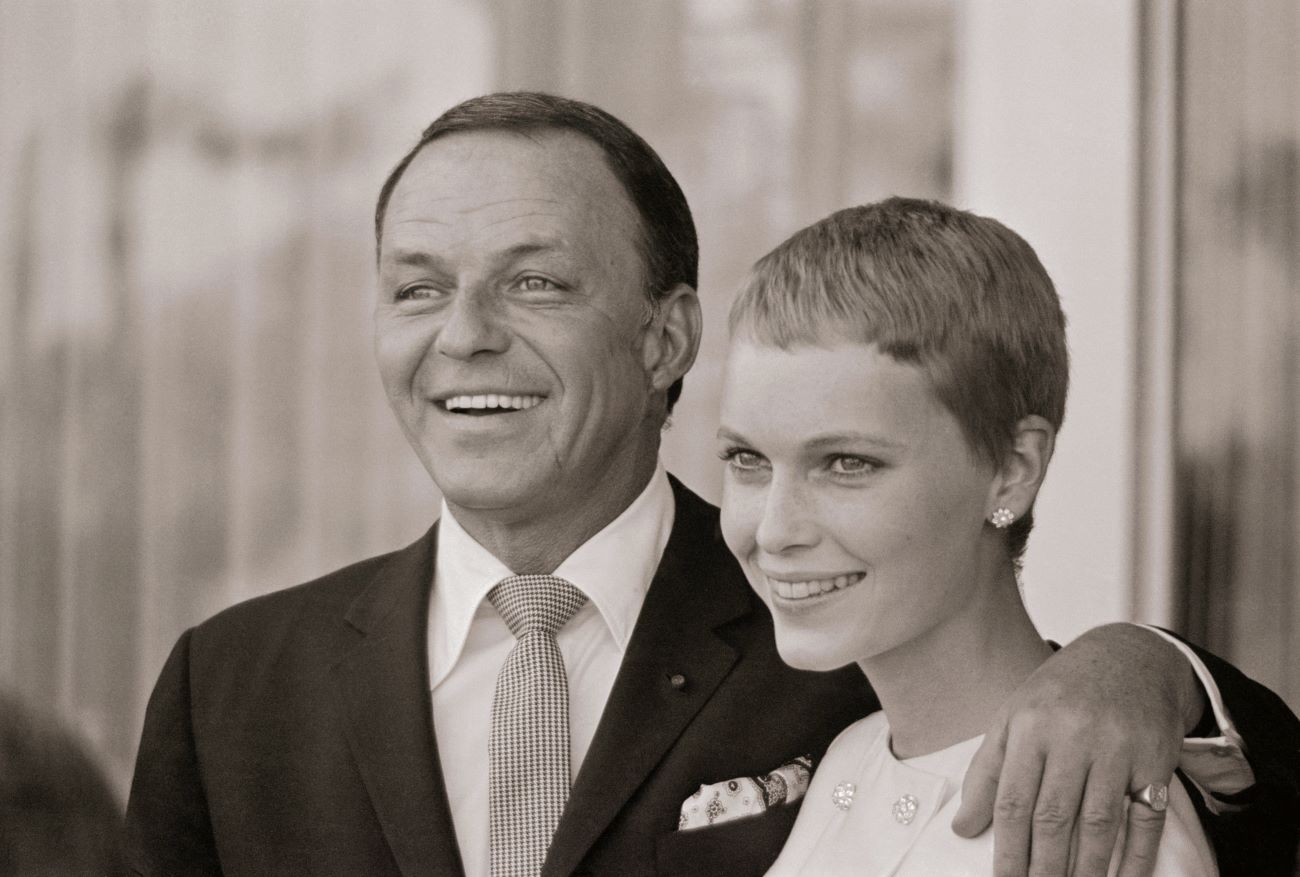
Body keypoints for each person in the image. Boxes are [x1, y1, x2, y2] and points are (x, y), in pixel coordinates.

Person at [124, 93, 1300, 877]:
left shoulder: (845, 645)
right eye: (417, 287)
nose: (464, 335)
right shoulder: (226, 688)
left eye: (536, 284)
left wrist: (1151, 667)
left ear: (664, 338)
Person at [718, 197, 1300, 875]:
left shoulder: (1095, 828)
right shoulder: (850, 752)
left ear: (1010, 470)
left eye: (849, 463)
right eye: (747, 459)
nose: (775, 529)